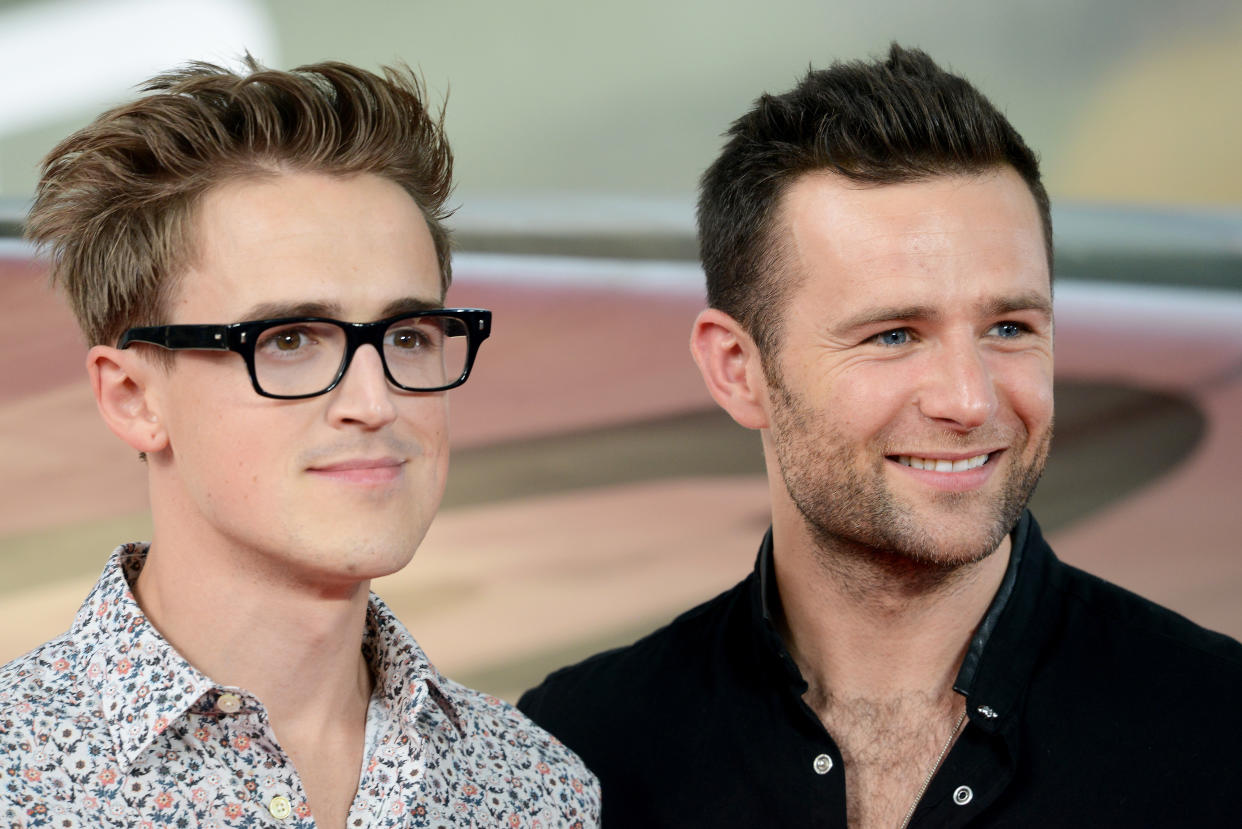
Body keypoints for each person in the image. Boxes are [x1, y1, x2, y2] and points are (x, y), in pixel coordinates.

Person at [518, 44, 1242, 827]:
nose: (970, 399)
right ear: (736, 368)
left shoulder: (1223, 732)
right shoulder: (577, 749)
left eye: (1009, 326)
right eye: (894, 335)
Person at [1, 58, 599, 827]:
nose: (374, 400)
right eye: (288, 340)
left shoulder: (539, 789)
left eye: (408, 335)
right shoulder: (19, 777)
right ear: (132, 396)